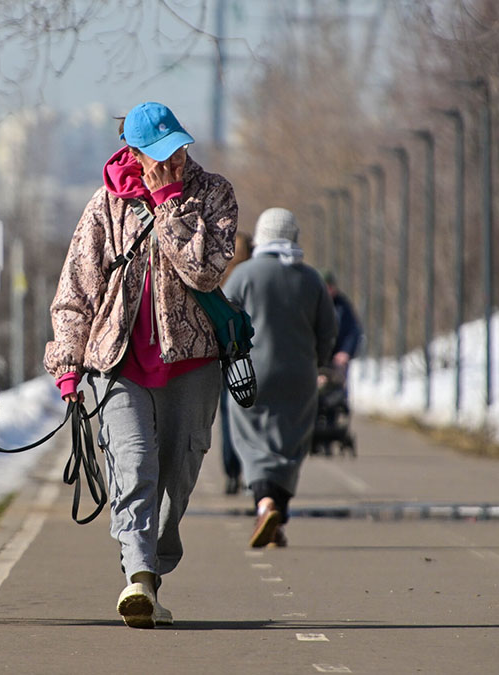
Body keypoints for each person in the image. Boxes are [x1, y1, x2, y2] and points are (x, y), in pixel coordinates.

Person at [44, 101, 237, 628]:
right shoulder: (105, 205)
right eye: (159, 154)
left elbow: (205, 272)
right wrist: (68, 362)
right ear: (132, 152)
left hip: (193, 362)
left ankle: (154, 564)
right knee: (132, 469)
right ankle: (139, 579)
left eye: (178, 150)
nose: (172, 161)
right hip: (119, 364)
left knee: (177, 477)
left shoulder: (212, 195)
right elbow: (76, 290)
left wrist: (170, 204)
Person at [222, 208, 336, 548]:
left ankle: (265, 504)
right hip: (299, 375)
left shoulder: (244, 274)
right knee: (290, 443)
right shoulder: (312, 279)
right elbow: (328, 330)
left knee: (251, 439)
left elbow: (223, 318)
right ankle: (277, 516)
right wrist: (319, 362)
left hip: (252, 373)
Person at [220, 230, 253, 494]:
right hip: (249, 354)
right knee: (251, 413)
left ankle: (231, 471)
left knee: (227, 414)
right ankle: (251, 468)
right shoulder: (251, 275)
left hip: (224, 354)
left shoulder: (220, 276)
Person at [322, 270, 363, 383]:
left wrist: (345, 351)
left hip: (336, 360)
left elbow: (353, 331)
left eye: (330, 287)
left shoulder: (342, 306)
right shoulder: (311, 305)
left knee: (337, 385)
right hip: (316, 360)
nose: (328, 291)